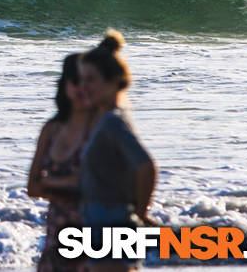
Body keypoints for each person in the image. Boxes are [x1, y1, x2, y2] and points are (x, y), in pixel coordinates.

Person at [77, 31, 157, 272]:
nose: (84, 87)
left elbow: (145, 165)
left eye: (91, 79)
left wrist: (141, 213)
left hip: (111, 229)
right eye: (82, 80)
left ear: (113, 81)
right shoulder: (105, 121)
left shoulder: (113, 122)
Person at [27, 53, 91, 272]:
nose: (82, 88)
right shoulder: (52, 129)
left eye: (89, 81)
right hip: (57, 236)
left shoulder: (103, 128)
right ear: (65, 84)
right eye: (76, 81)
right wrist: (74, 184)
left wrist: (54, 183)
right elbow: (32, 187)